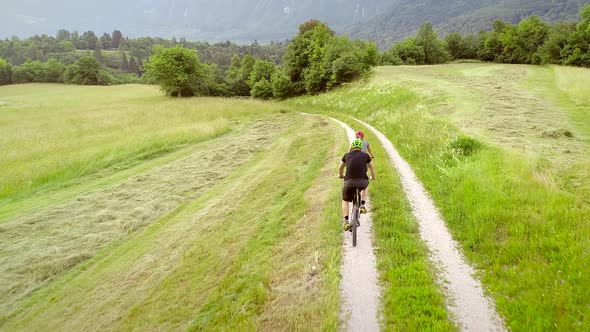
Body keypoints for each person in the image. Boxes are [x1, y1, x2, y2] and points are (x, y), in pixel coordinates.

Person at [339, 139, 376, 231]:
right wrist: (373, 177)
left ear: (351, 147)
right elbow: (372, 167)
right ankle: (362, 205)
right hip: (362, 182)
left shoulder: (346, 156)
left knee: (345, 200)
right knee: (366, 185)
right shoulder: (366, 156)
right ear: (360, 147)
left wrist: (341, 175)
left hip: (349, 182)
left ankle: (346, 221)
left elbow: (340, 167)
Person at [348, 131, 374, 213]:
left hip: (353, 162)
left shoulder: (354, 143)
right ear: (363, 137)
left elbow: (349, 152)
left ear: (356, 137)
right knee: (364, 176)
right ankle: (362, 204)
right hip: (364, 161)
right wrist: (372, 155)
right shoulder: (366, 142)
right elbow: (370, 151)